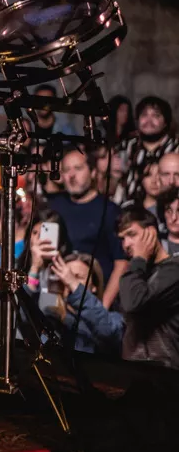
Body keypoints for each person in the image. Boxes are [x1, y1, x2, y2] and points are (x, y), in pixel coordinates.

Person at [46, 145, 126, 308]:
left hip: (95, 297)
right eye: (66, 170)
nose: (72, 175)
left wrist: (103, 306)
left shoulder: (109, 211)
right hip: (60, 300)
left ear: (93, 172)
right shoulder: (55, 206)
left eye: (78, 168)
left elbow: (122, 263)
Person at [115, 206, 179, 368]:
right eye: (122, 239)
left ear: (151, 233)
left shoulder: (174, 270)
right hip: (134, 373)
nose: (126, 244)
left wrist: (138, 258)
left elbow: (134, 302)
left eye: (131, 234)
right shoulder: (136, 273)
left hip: (164, 375)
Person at [44, 253, 124, 356]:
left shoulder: (113, 319)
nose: (68, 281)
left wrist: (74, 285)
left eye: (77, 277)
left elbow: (108, 332)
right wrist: (34, 269)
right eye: (66, 276)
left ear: (94, 286)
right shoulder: (52, 317)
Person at [118, 97, 178, 203]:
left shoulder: (175, 149)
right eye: (144, 115)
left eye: (156, 115)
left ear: (165, 122)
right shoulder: (126, 146)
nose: (149, 121)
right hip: (128, 210)